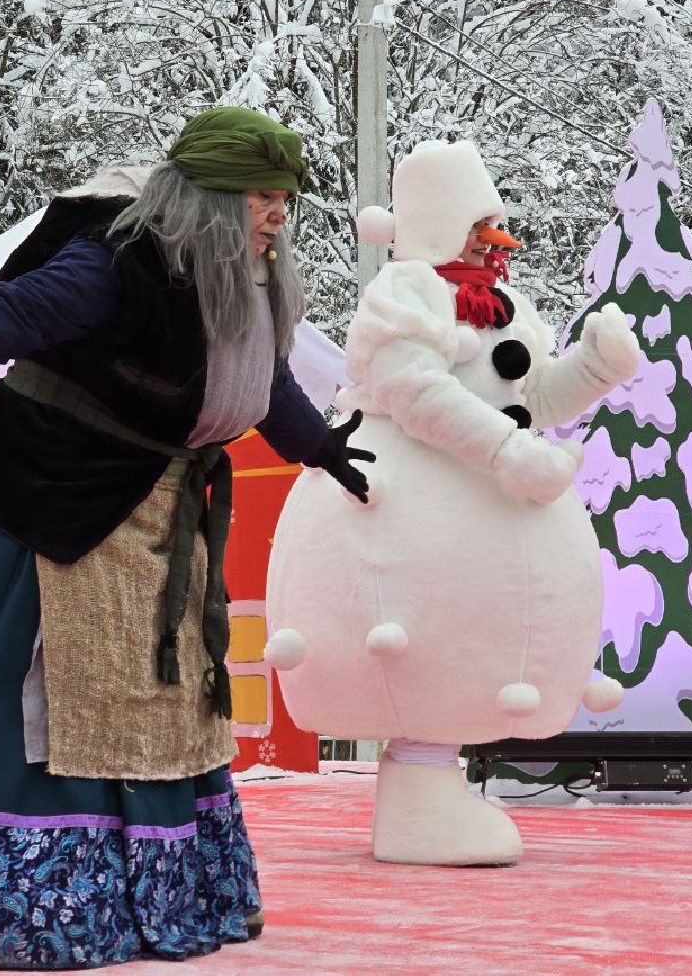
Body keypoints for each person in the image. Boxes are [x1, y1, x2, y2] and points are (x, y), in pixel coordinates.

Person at [0, 106, 373, 969]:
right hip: (48, 499)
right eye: (263, 197)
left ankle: (163, 896)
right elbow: (9, 314)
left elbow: (264, 380)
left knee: (157, 696)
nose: (278, 216)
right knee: (61, 699)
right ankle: (56, 907)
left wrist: (319, 448)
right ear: (211, 199)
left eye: (284, 199)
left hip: (154, 509)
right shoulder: (117, 261)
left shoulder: (240, 279)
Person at [266, 139, 636, 867]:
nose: (494, 237)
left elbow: (531, 399)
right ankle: (420, 800)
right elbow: (415, 391)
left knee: (469, 649)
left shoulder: (506, 303)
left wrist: (594, 369)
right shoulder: (405, 292)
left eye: (494, 220)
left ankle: (435, 789)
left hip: (491, 504)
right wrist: (505, 453)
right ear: (441, 223)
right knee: (424, 638)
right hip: (408, 504)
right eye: (478, 222)